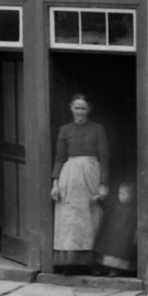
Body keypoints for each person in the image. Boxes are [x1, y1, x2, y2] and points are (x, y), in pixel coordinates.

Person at [52, 95, 111, 275]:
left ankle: (93, 264)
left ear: (89, 109)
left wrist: (103, 184)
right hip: (69, 178)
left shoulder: (97, 129)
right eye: (76, 108)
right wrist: (55, 183)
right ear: (71, 108)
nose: (79, 112)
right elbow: (60, 157)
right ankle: (69, 264)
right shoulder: (65, 130)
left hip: (91, 175)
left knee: (91, 219)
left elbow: (104, 157)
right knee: (70, 222)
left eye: (83, 108)